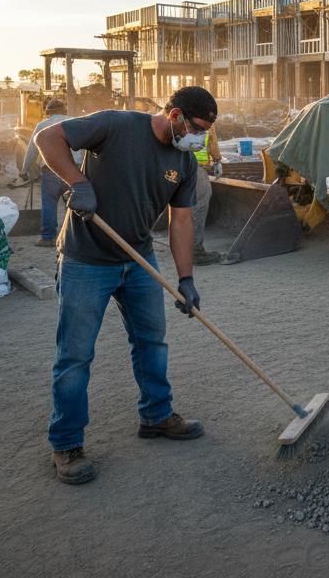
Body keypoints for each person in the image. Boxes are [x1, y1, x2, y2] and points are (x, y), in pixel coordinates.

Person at [35, 86, 217, 485]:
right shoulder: (117, 124)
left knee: (152, 341)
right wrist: (78, 183)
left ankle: (156, 415)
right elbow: (47, 138)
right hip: (86, 259)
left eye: (206, 132)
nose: (200, 139)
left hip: (137, 260)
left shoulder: (185, 163)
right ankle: (65, 443)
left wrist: (186, 279)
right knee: (76, 355)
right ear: (174, 115)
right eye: (197, 129)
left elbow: (181, 221)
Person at [21, 100, 83, 248]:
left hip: (51, 171)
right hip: (75, 171)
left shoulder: (42, 125)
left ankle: (48, 237)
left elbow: (32, 149)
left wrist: (25, 168)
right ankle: (76, 238)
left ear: (47, 112)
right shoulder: (76, 122)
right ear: (65, 110)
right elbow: (85, 148)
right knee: (75, 204)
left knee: (49, 204)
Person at [191, 123, 224, 266]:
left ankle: (180, 247)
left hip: (174, 166)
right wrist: (216, 159)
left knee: (179, 206)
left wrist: (216, 159)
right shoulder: (203, 114)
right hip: (193, 167)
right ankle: (195, 251)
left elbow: (210, 139)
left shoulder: (174, 110)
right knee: (199, 203)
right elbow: (211, 138)